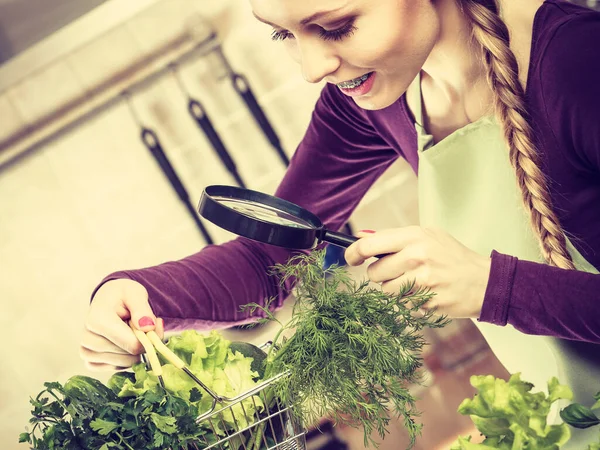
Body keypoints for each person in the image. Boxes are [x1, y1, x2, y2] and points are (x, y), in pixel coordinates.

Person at [81, 0, 600, 446]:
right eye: (284, 34)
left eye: (335, 27)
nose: (311, 68)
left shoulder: (579, 62)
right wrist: (138, 293)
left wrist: (491, 286)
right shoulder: (375, 101)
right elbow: (272, 258)